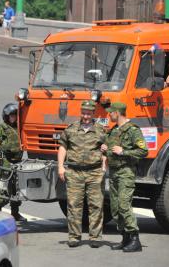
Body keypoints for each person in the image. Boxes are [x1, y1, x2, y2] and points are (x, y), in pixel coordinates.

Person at [57, 100, 106, 248]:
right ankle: (74, 236)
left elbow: (105, 149)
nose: (85, 116)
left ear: (93, 113)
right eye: (83, 113)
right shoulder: (71, 129)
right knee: (73, 205)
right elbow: (63, 147)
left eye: (88, 113)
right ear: (81, 112)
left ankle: (95, 237)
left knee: (96, 206)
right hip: (74, 172)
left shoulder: (100, 130)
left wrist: (104, 165)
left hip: (95, 172)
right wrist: (60, 167)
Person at [101, 102, 148, 252]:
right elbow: (109, 150)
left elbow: (143, 151)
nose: (109, 115)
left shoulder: (133, 130)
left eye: (111, 112)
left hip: (126, 172)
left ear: (118, 113)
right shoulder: (114, 130)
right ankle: (125, 238)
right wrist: (105, 149)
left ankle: (135, 239)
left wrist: (124, 151)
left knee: (123, 205)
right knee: (115, 208)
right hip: (114, 172)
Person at [0, 103, 26, 221]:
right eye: (11, 116)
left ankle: (15, 212)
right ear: (6, 116)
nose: (13, 118)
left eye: (15, 115)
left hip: (17, 161)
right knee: (2, 186)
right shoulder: (1, 128)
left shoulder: (19, 127)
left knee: (16, 187)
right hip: (5, 161)